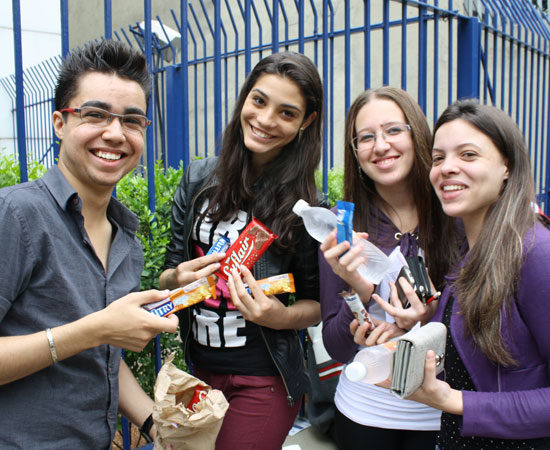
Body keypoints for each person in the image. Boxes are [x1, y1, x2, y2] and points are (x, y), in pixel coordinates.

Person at [0, 40, 179, 449]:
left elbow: (102, 357)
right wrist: (95, 329)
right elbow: (94, 335)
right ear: (60, 123)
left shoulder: (126, 242)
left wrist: (156, 425)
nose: (115, 133)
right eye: (95, 114)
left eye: (132, 121)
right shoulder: (16, 215)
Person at [158, 51, 325, 450]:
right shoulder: (198, 178)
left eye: (287, 113)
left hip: (263, 380)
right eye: (259, 101)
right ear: (245, 98)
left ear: (307, 122)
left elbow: (317, 303)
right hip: (198, 374)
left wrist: (280, 316)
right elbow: (166, 273)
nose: (266, 120)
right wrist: (178, 278)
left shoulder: (307, 208)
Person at [396, 99, 550, 448]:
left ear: (507, 166)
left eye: (468, 155)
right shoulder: (468, 250)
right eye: (438, 158)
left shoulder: (536, 253)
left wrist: (452, 401)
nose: (447, 168)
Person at [318, 86, 458, 450]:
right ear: (355, 153)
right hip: (365, 412)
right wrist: (359, 290)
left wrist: (427, 320)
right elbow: (335, 346)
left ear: (417, 134)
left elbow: (481, 330)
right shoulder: (343, 226)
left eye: (394, 130)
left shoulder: (455, 214)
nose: (380, 146)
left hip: (439, 411)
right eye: (366, 137)